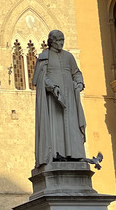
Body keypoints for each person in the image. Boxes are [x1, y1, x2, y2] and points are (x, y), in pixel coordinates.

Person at [31, 30, 87, 167]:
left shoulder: (69, 57)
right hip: (53, 99)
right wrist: (52, 87)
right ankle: (56, 153)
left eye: (63, 40)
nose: (61, 43)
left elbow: (76, 73)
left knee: (71, 124)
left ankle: (74, 154)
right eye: (58, 40)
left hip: (70, 98)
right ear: (51, 42)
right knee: (55, 125)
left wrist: (79, 83)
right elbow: (39, 79)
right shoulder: (44, 57)